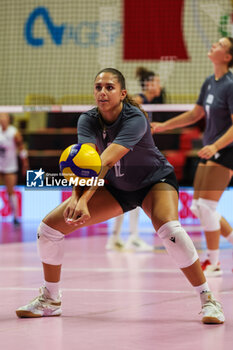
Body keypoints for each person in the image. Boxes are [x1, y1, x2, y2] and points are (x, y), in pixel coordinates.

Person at [16, 68, 224, 324]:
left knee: (170, 230)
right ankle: (50, 299)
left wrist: (82, 200)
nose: (102, 92)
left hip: (153, 181)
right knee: (48, 230)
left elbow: (104, 161)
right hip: (115, 186)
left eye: (109, 87)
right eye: (98, 87)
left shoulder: (135, 118)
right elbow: (84, 165)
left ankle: (208, 300)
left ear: (123, 93)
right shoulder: (88, 120)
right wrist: (75, 197)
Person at [151, 37, 233, 277]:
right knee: (199, 207)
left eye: (219, 45)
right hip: (210, 147)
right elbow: (196, 113)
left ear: (227, 56)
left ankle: (214, 261)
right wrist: (165, 126)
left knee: (207, 206)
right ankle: (217, 256)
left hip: (226, 149)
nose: (213, 46)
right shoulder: (210, 82)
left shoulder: (230, 84)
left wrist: (216, 144)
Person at [106, 67, 165, 252]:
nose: (160, 86)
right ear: (148, 84)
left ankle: (116, 238)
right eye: (156, 82)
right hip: (129, 154)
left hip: (132, 153)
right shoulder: (138, 101)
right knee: (133, 194)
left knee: (126, 194)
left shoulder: (148, 102)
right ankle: (132, 237)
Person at [0, 113, 29, 225]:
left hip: (10, 166)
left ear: (9, 119)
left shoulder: (14, 132)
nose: (2, 119)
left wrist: (25, 164)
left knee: (10, 191)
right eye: (1, 117)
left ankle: (16, 218)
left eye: (4, 117)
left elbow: (22, 149)